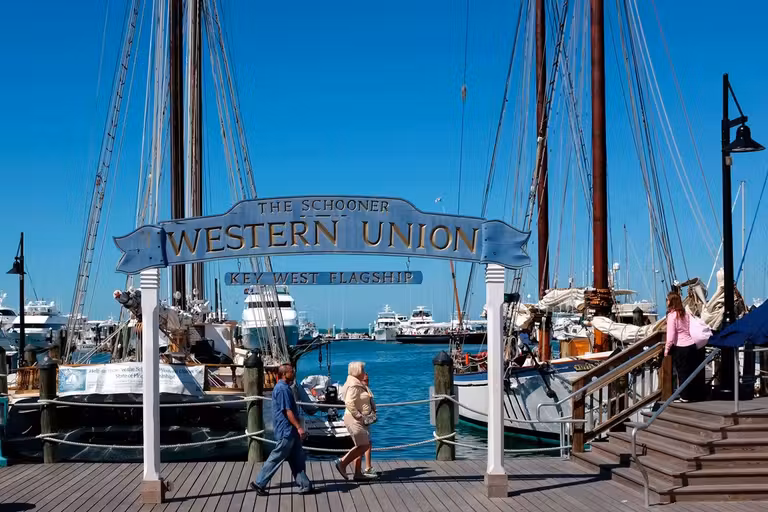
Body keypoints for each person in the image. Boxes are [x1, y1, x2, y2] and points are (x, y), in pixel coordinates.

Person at [250, 364, 313, 495]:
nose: (294, 373)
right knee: (277, 456)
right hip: (286, 430)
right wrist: (299, 427)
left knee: (297, 458)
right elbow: (287, 411)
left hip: (291, 431)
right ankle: (259, 483)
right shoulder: (282, 389)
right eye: (291, 371)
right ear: (284, 374)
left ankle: (305, 485)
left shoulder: (285, 388)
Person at [334, 361, 375, 481]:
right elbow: (349, 402)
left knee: (361, 444)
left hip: (361, 419)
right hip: (355, 419)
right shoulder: (354, 385)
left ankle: (357, 473)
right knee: (364, 445)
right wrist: (358, 416)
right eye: (362, 370)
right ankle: (342, 462)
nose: (364, 372)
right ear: (357, 371)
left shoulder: (355, 383)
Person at [664, 291, 704, 402]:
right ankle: (691, 395)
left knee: (682, 372)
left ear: (671, 301)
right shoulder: (686, 314)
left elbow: (671, 335)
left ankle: (684, 396)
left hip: (681, 347)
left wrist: (666, 350)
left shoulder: (672, 316)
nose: (666, 302)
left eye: (667, 300)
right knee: (690, 371)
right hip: (691, 346)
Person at [355, 372, 377, 478]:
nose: (367, 382)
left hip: (367, 420)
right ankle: (358, 470)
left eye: (368, 380)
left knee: (368, 443)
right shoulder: (358, 390)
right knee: (360, 445)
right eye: (365, 380)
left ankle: (367, 467)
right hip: (360, 420)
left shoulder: (367, 390)